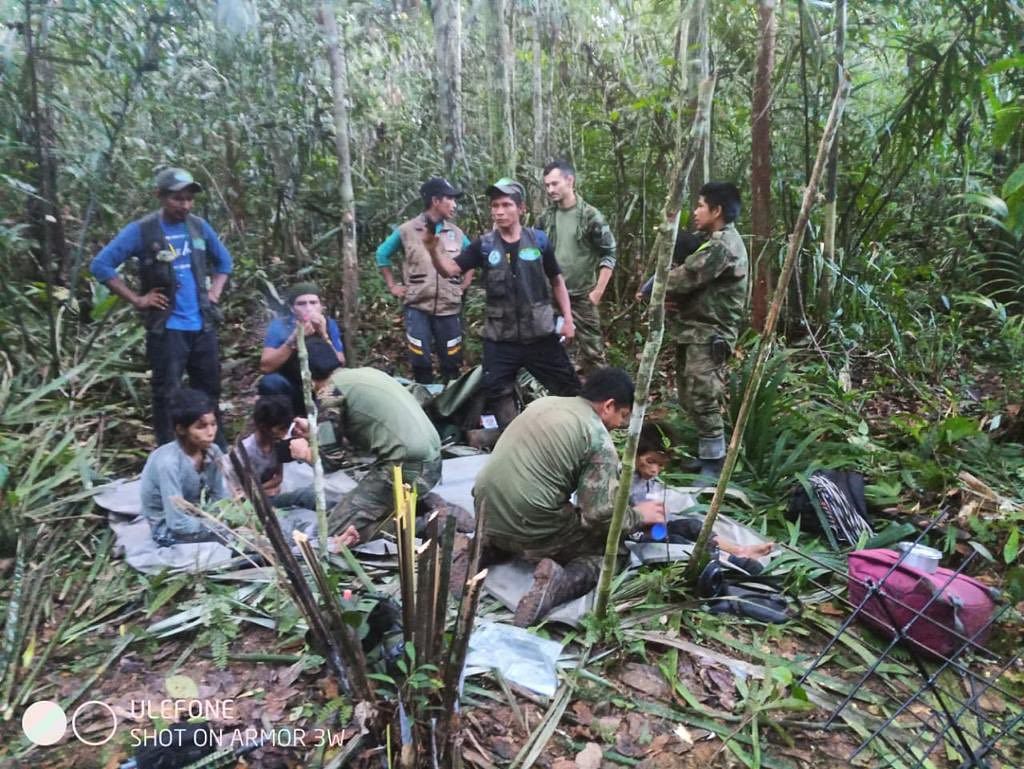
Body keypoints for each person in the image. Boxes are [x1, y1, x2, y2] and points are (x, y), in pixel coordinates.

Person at [472, 368, 665, 627]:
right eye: (622, 415)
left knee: (535, 513)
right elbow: (598, 515)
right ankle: (558, 584)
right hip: (530, 522)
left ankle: (483, 548)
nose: (619, 425)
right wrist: (640, 514)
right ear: (608, 405)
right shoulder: (597, 438)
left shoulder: (544, 403)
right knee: (612, 553)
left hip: (484, 510)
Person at [90, 167, 232, 446]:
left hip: (202, 324)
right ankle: (171, 452)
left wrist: (214, 292)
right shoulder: (142, 231)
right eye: (178, 199)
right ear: (160, 196)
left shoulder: (198, 227)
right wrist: (138, 299)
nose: (185, 205)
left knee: (210, 390)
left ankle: (217, 450)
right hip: (167, 329)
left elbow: (224, 262)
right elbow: (101, 265)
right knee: (167, 393)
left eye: (189, 199)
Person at [428, 178, 581, 428]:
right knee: (497, 390)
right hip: (501, 338)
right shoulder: (485, 245)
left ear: (521, 209)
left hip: (540, 334)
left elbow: (556, 280)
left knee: (569, 388)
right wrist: (433, 250)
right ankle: (514, 437)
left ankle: (574, 434)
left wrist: (568, 320)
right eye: (495, 205)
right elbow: (450, 270)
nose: (499, 211)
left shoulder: (539, 241)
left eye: (506, 205)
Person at [287, 346, 446, 544]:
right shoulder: (365, 374)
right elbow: (364, 433)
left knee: (330, 536)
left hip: (405, 469)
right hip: (431, 462)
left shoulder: (330, 392)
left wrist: (304, 452)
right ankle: (417, 509)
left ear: (307, 379)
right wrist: (315, 432)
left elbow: (330, 462)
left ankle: (425, 525)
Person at [663, 182, 748, 478]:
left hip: (710, 333)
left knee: (704, 395)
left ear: (717, 210)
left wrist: (655, 286)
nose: (695, 211)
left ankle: (714, 463)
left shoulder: (723, 246)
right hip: (694, 329)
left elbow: (685, 277)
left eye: (700, 206)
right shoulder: (711, 239)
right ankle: (706, 454)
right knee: (689, 395)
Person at [375, 178, 473, 384]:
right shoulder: (407, 230)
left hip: (449, 307)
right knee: (420, 359)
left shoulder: (456, 233)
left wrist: (464, 285)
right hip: (417, 306)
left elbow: (471, 258)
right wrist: (393, 286)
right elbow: (382, 255)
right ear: (436, 201)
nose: (454, 205)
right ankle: (424, 400)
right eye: (450, 199)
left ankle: (451, 403)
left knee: (452, 359)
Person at [629, 422, 772, 563]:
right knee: (676, 542)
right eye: (650, 461)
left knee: (693, 526)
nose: (655, 470)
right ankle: (726, 560)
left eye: (661, 465)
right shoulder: (622, 479)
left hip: (653, 528)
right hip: (633, 534)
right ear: (634, 453)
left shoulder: (647, 480)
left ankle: (738, 551)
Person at [537, 160, 617, 375]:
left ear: (569, 180)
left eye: (554, 184)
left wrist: (597, 292)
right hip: (552, 297)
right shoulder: (545, 218)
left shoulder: (591, 217)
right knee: (554, 352)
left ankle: (603, 401)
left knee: (593, 353)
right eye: (547, 185)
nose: (550, 190)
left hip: (582, 296)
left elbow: (609, 253)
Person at [140, 388, 231, 547]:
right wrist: (218, 527)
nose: (210, 432)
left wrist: (226, 517)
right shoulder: (169, 463)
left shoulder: (213, 451)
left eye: (213, 424)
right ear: (181, 429)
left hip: (202, 516)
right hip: (169, 529)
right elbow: (177, 522)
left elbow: (220, 497)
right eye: (201, 427)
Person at [259, 282, 346, 416]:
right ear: (292, 308)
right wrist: (293, 340)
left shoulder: (329, 324)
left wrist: (324, 335)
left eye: (313, 302)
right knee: (270, 383)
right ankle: (285, 425)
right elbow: (266, 367)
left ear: (321, 306)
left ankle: (330, 422)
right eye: (301, 304)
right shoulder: (280, 326)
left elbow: (340, 362)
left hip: (323, 386)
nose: (308, 308)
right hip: (292, 386)